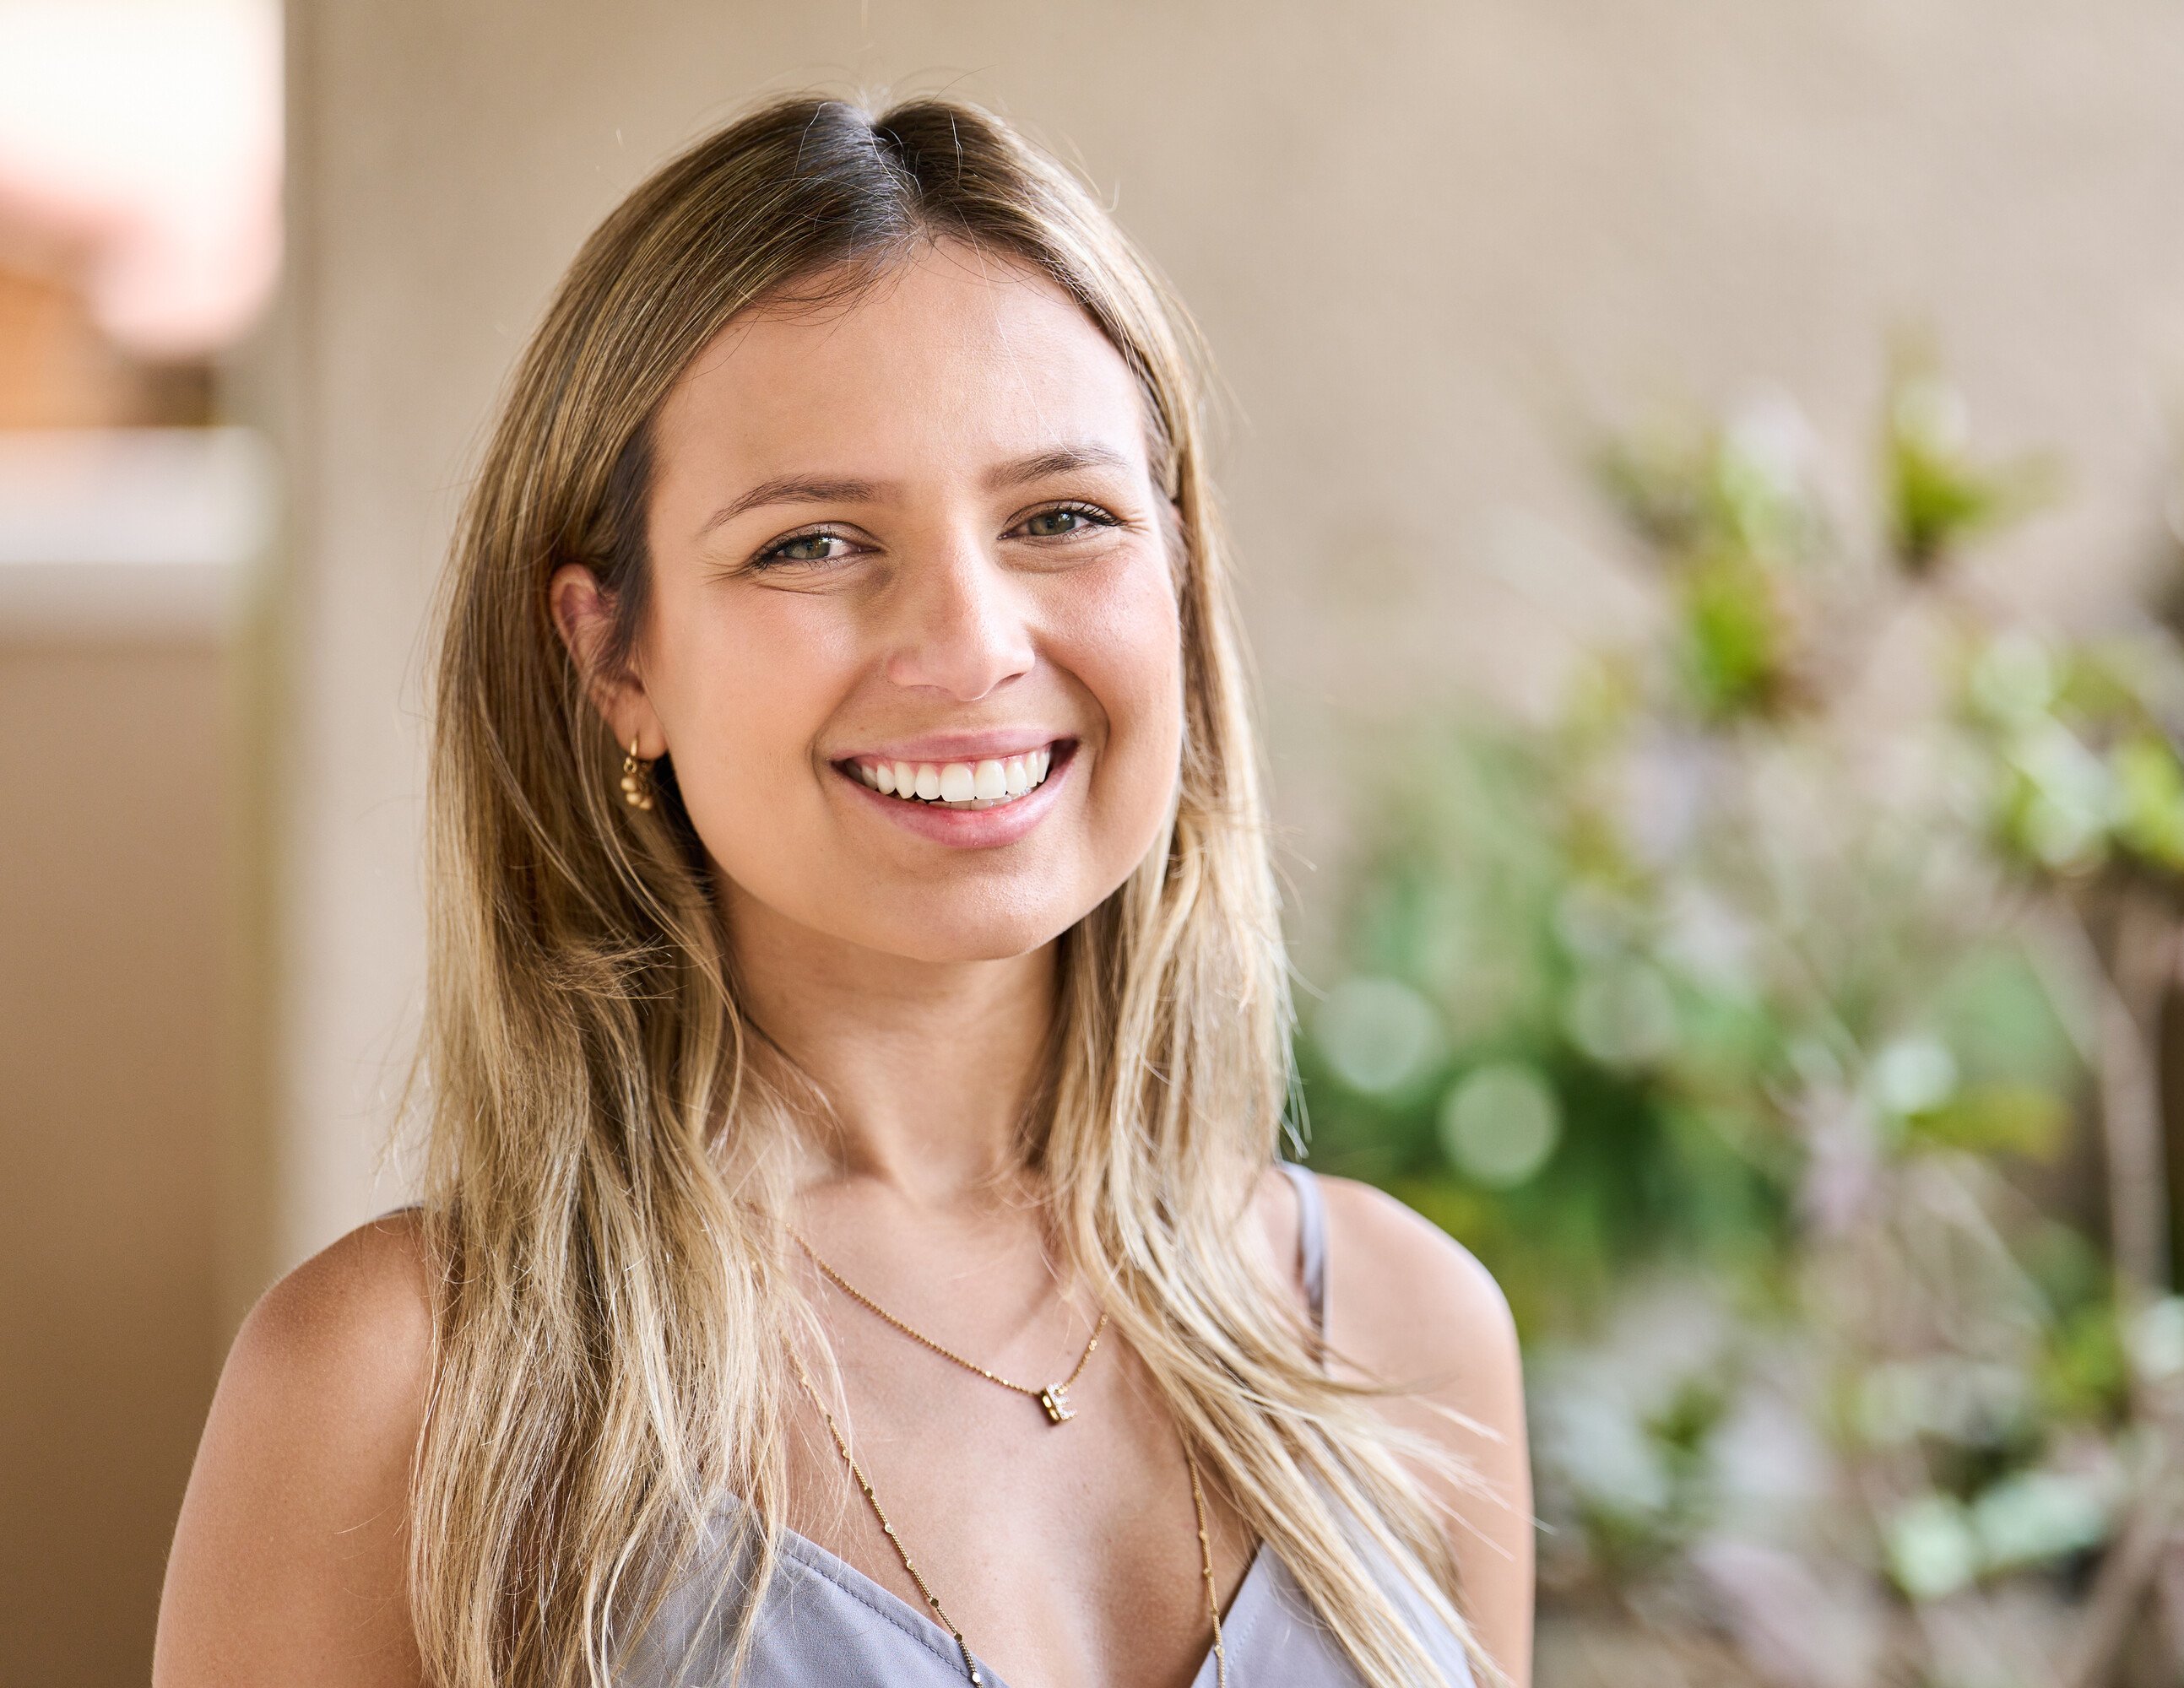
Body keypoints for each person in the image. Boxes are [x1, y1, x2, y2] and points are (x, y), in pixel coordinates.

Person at [154, 95, 1530, 1688]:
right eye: (813, 543)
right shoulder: (399, 1396)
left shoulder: (1403, 1339)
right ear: (615, 658)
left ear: (1177, 572)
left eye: (1062, 518)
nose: (971, 647)